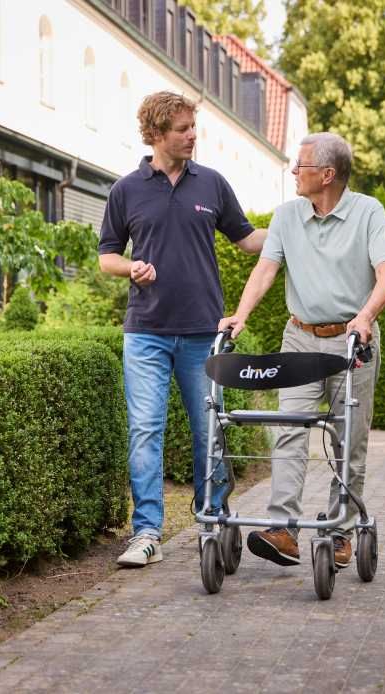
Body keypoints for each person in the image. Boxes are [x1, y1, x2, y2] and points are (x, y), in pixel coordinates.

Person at [99, 91, 266, 568]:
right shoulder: (126, 190)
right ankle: (147, 532)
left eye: (194, 127)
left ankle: (213, 517)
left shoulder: (211, 184)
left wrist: (297, 228)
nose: (192, 135)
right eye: (183, 129)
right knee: (145, 431)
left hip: (203, 333)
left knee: (208, 429)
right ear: (156, 134)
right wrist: (130, 268)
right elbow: (106, 255)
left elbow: (248, 239)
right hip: (146, 333)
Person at [218, 132, 385, 570]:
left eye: (300, 165)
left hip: (349, 342)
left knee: (348, 440)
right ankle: (283, 528)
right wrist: (239, 315)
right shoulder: (287, 216)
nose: (294, 172)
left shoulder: (368, 212)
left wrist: (365, 317)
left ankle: (340, 530)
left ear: (327, 174)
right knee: (288, 427)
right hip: (298, 338)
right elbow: (265, 270)